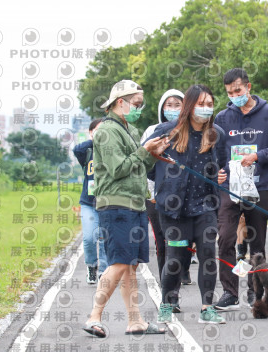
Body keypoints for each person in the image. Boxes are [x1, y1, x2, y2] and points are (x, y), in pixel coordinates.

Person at [83, 79, 170, 338]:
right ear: (120, 103)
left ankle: (135, 320)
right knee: (120, 262)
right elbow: (119, 168)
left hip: (135, 202)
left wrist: (154, 154)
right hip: (116, 204)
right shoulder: (106, 131)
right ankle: (94, 315)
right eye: (136, 104)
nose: (139, 109)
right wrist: (145, 152)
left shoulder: (130, 129)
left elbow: (138, 164)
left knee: (131, 264)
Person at [147, 84, 227, 324]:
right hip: (174, 209)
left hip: (206, 206)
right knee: (175, 256)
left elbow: (219, 165)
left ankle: (207, 307)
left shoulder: (217, 134)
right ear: (190, 106)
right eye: (201, 104)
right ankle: (166, 304)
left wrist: (219, 176)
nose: (206, 108)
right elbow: (148, 165)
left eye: (210, 104)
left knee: (207, 254)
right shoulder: (166, 131)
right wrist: (166, 183)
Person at [213, 68, 268, 310]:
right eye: (230, 92)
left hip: (259, 186)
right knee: (225, 239)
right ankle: (229, 291)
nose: (235, 95)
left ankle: (256, 291)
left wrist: (257, 155)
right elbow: (215, 152)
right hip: (229, 188)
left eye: (238, 90)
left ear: (248, 87)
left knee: (257, 243)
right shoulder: (222, 118)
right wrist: (219, 171)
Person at [140, 89, 195, 283]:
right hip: (158, 197)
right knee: (163, 240)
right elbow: (145, 162)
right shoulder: (153, 131)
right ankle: (167, 280)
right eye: (168, 105)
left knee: (185, 238)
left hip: (186, 196)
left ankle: (184, 270)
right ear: (162, 108)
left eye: (177, 105)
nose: (172, 109)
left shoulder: (192, 131)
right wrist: (152, 191)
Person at [72, 118, 108, 284]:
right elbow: (76, 149)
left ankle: (104, 272)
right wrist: (94, 140)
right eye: (97, 130)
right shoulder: (87, 151)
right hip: (88, 203)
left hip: (107, 202)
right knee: (88, 238)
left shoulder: (110, 150)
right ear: (91, 132)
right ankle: (91, 265)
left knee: (104, 237)